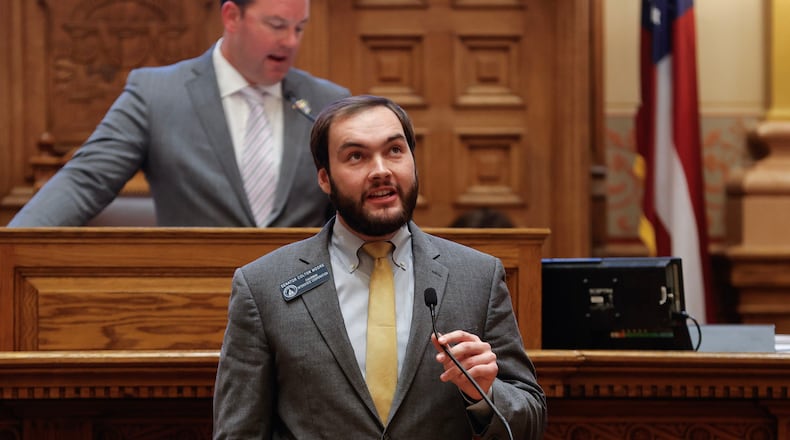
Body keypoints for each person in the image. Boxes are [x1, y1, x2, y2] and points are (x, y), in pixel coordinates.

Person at [213, 95, 547, 439]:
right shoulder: (263, 286)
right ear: (325, 178)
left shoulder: (478, 277)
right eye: (356, 156)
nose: (381, 171)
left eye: (394, 151)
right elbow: (239, 431)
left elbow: (530, 421)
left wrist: (484, 395)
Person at [8, 0, 349, 227]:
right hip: (193, 297)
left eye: (299, 28)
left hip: (303, 307)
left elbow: (354, 206)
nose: (290, 41)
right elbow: (84, 182)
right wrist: (11, 251)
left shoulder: (327, 101)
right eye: (276, 25)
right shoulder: (156, 95)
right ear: (232, 16)